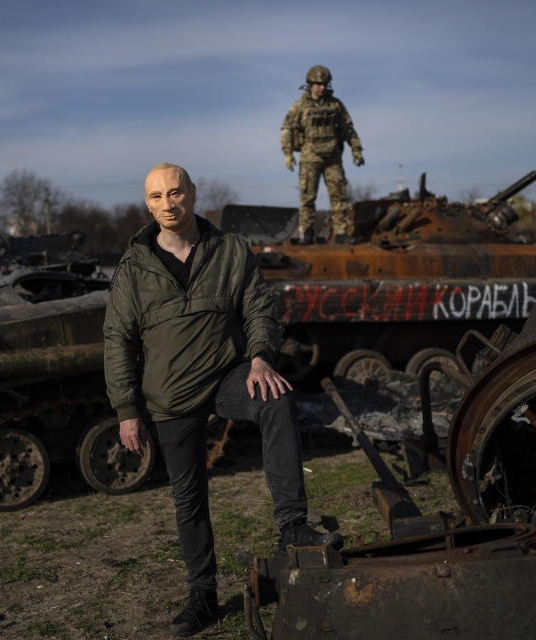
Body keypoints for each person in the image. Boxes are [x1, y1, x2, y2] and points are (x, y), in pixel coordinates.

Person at [103, 163, 340, 637]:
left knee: (275, 399)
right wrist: (127, 410)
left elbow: (258, 308)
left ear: (192, 194)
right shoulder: (133, 268)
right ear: (147, 204)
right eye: (156, 197)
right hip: (170, 396)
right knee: (189, 499)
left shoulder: (230, 249)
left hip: (228, 376)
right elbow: (117, 339)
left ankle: (292, 522)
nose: (167, 204)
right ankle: (203, 596)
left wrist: (259, 358)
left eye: (175, 193)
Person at [281, 64, 364, 244]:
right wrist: (288, 154)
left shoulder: (335, 105)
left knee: (339, 195)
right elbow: (286, 128)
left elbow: (348, 128)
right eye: (318, 84)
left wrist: (356, 149)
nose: (321, 87)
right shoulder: (300, 106)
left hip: (332, 157)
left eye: (324, 84)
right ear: (310, 84)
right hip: (310, 156)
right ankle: (307, 232)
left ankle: (341, 233)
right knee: (307, 196)